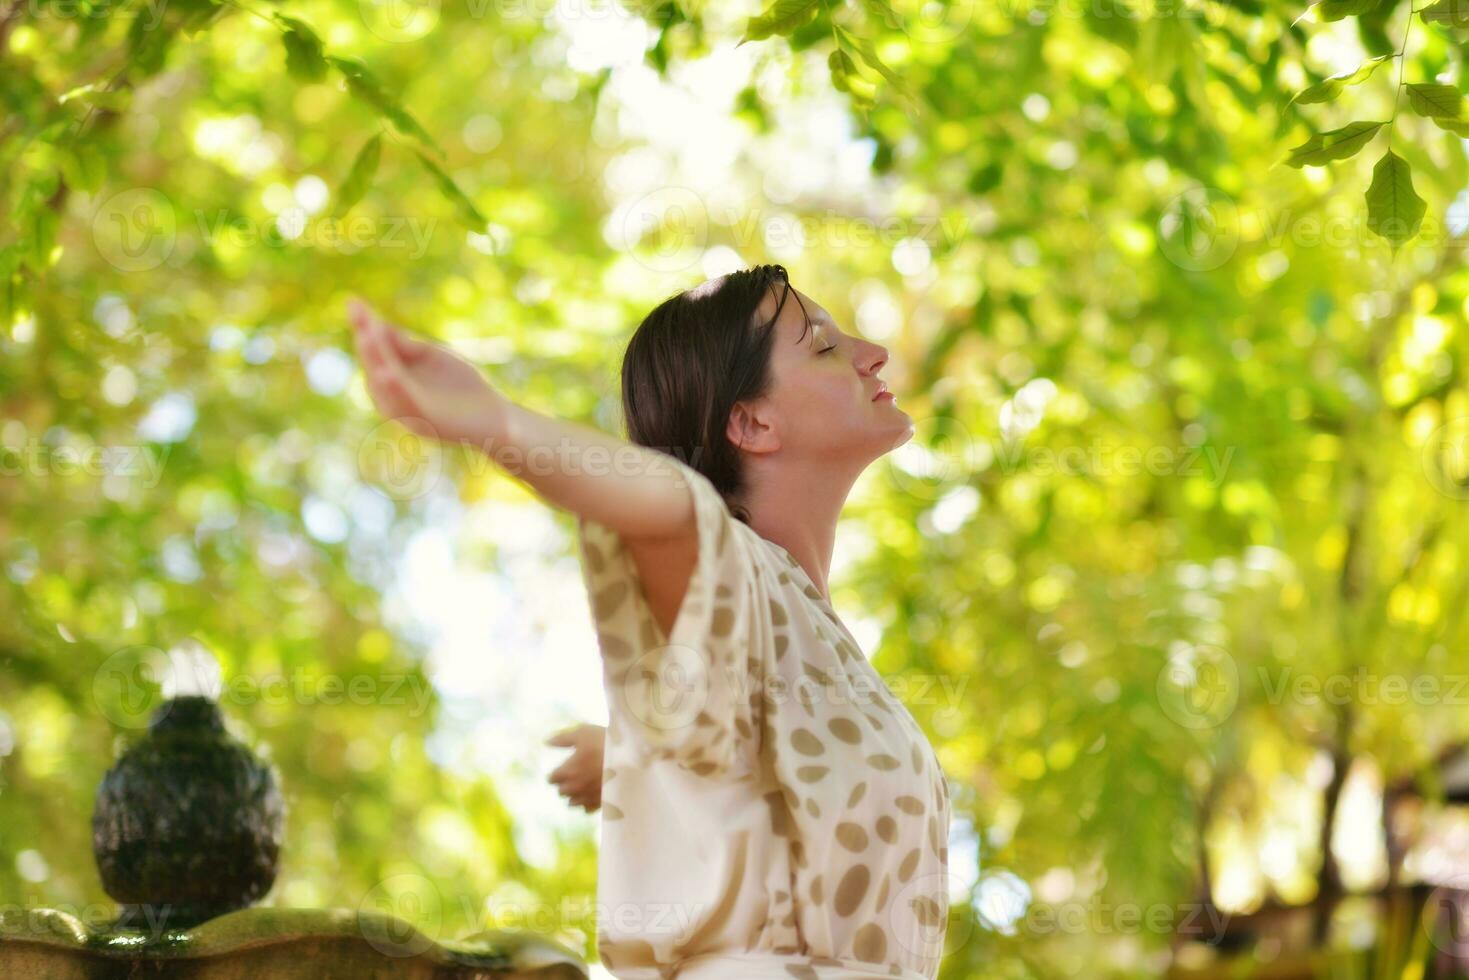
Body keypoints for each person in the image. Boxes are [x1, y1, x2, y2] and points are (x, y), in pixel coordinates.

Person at [348, 265, 951, 980]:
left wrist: (638, 760)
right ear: (750, 422)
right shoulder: (740, 569)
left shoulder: (804, 636)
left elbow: (750, 761)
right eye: (822, 345)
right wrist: (497, 425)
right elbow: (670, 512)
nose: (871, 351)